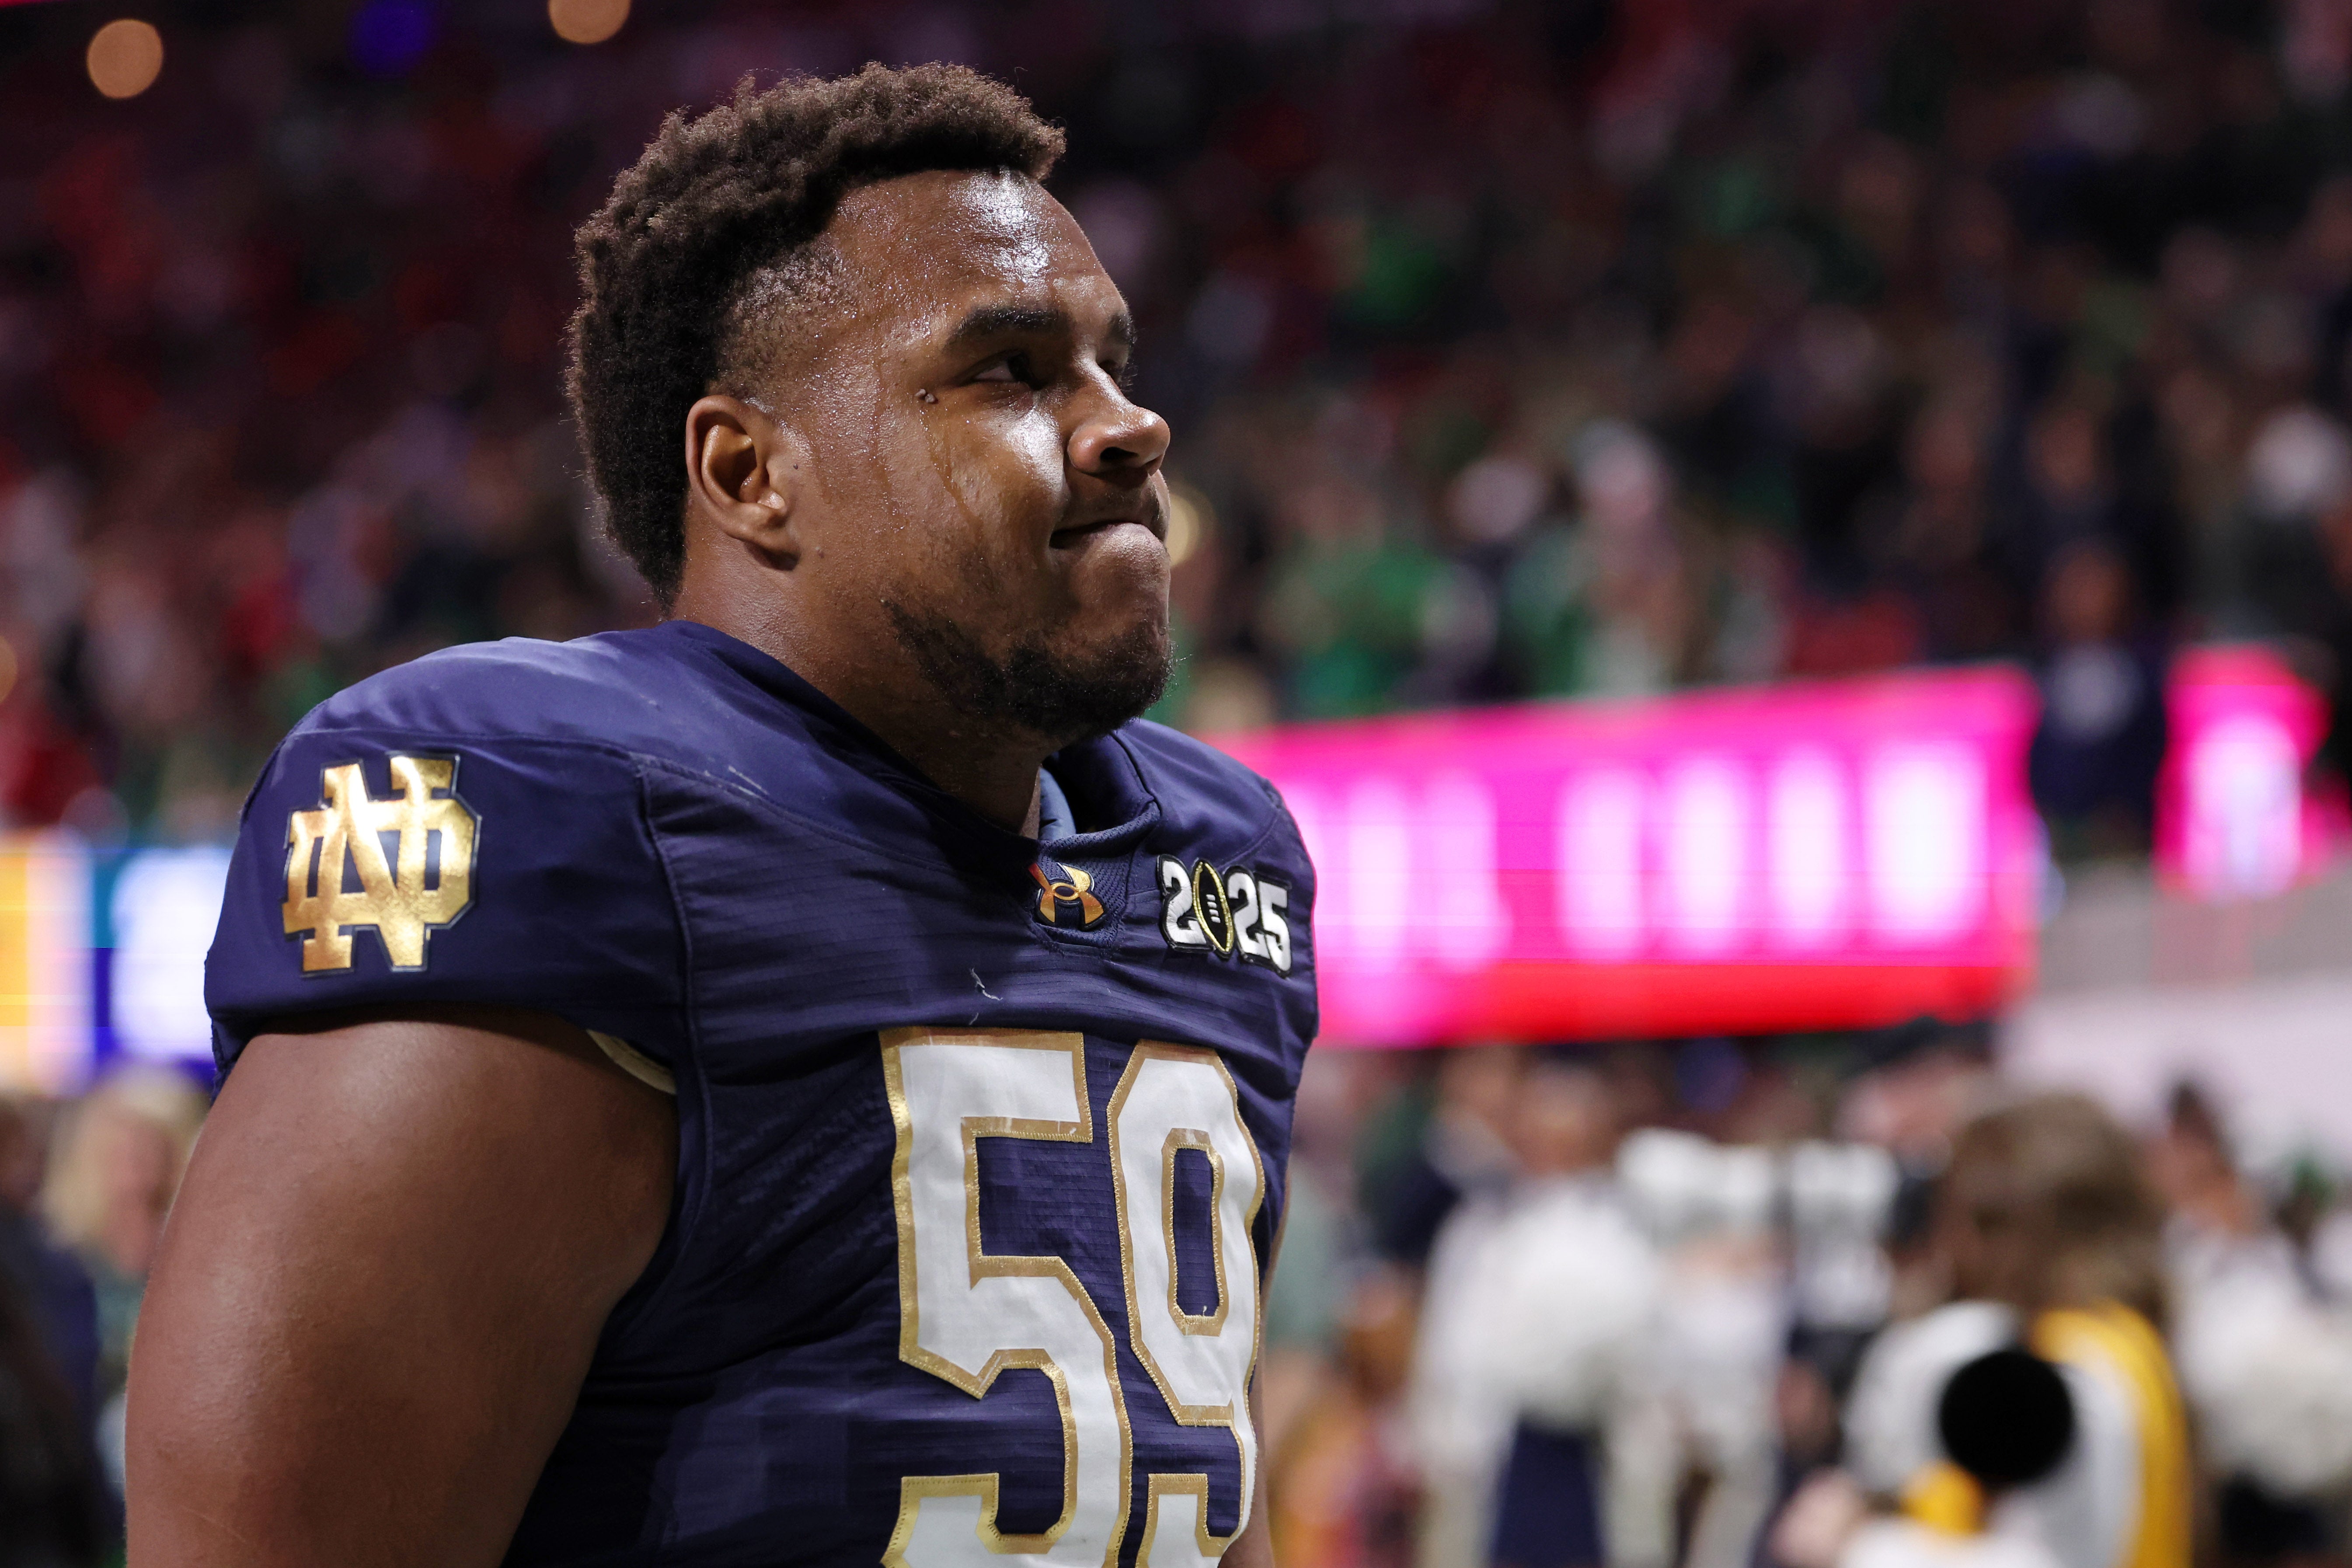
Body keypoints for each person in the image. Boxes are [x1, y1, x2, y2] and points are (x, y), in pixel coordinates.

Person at [126, 64, 1316, 1568]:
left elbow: (1185, 1481)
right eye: (1011, 369)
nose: (1129, 424)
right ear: (750, 473)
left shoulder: (1208, 866)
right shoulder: (566, 816)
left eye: (1111, 360)